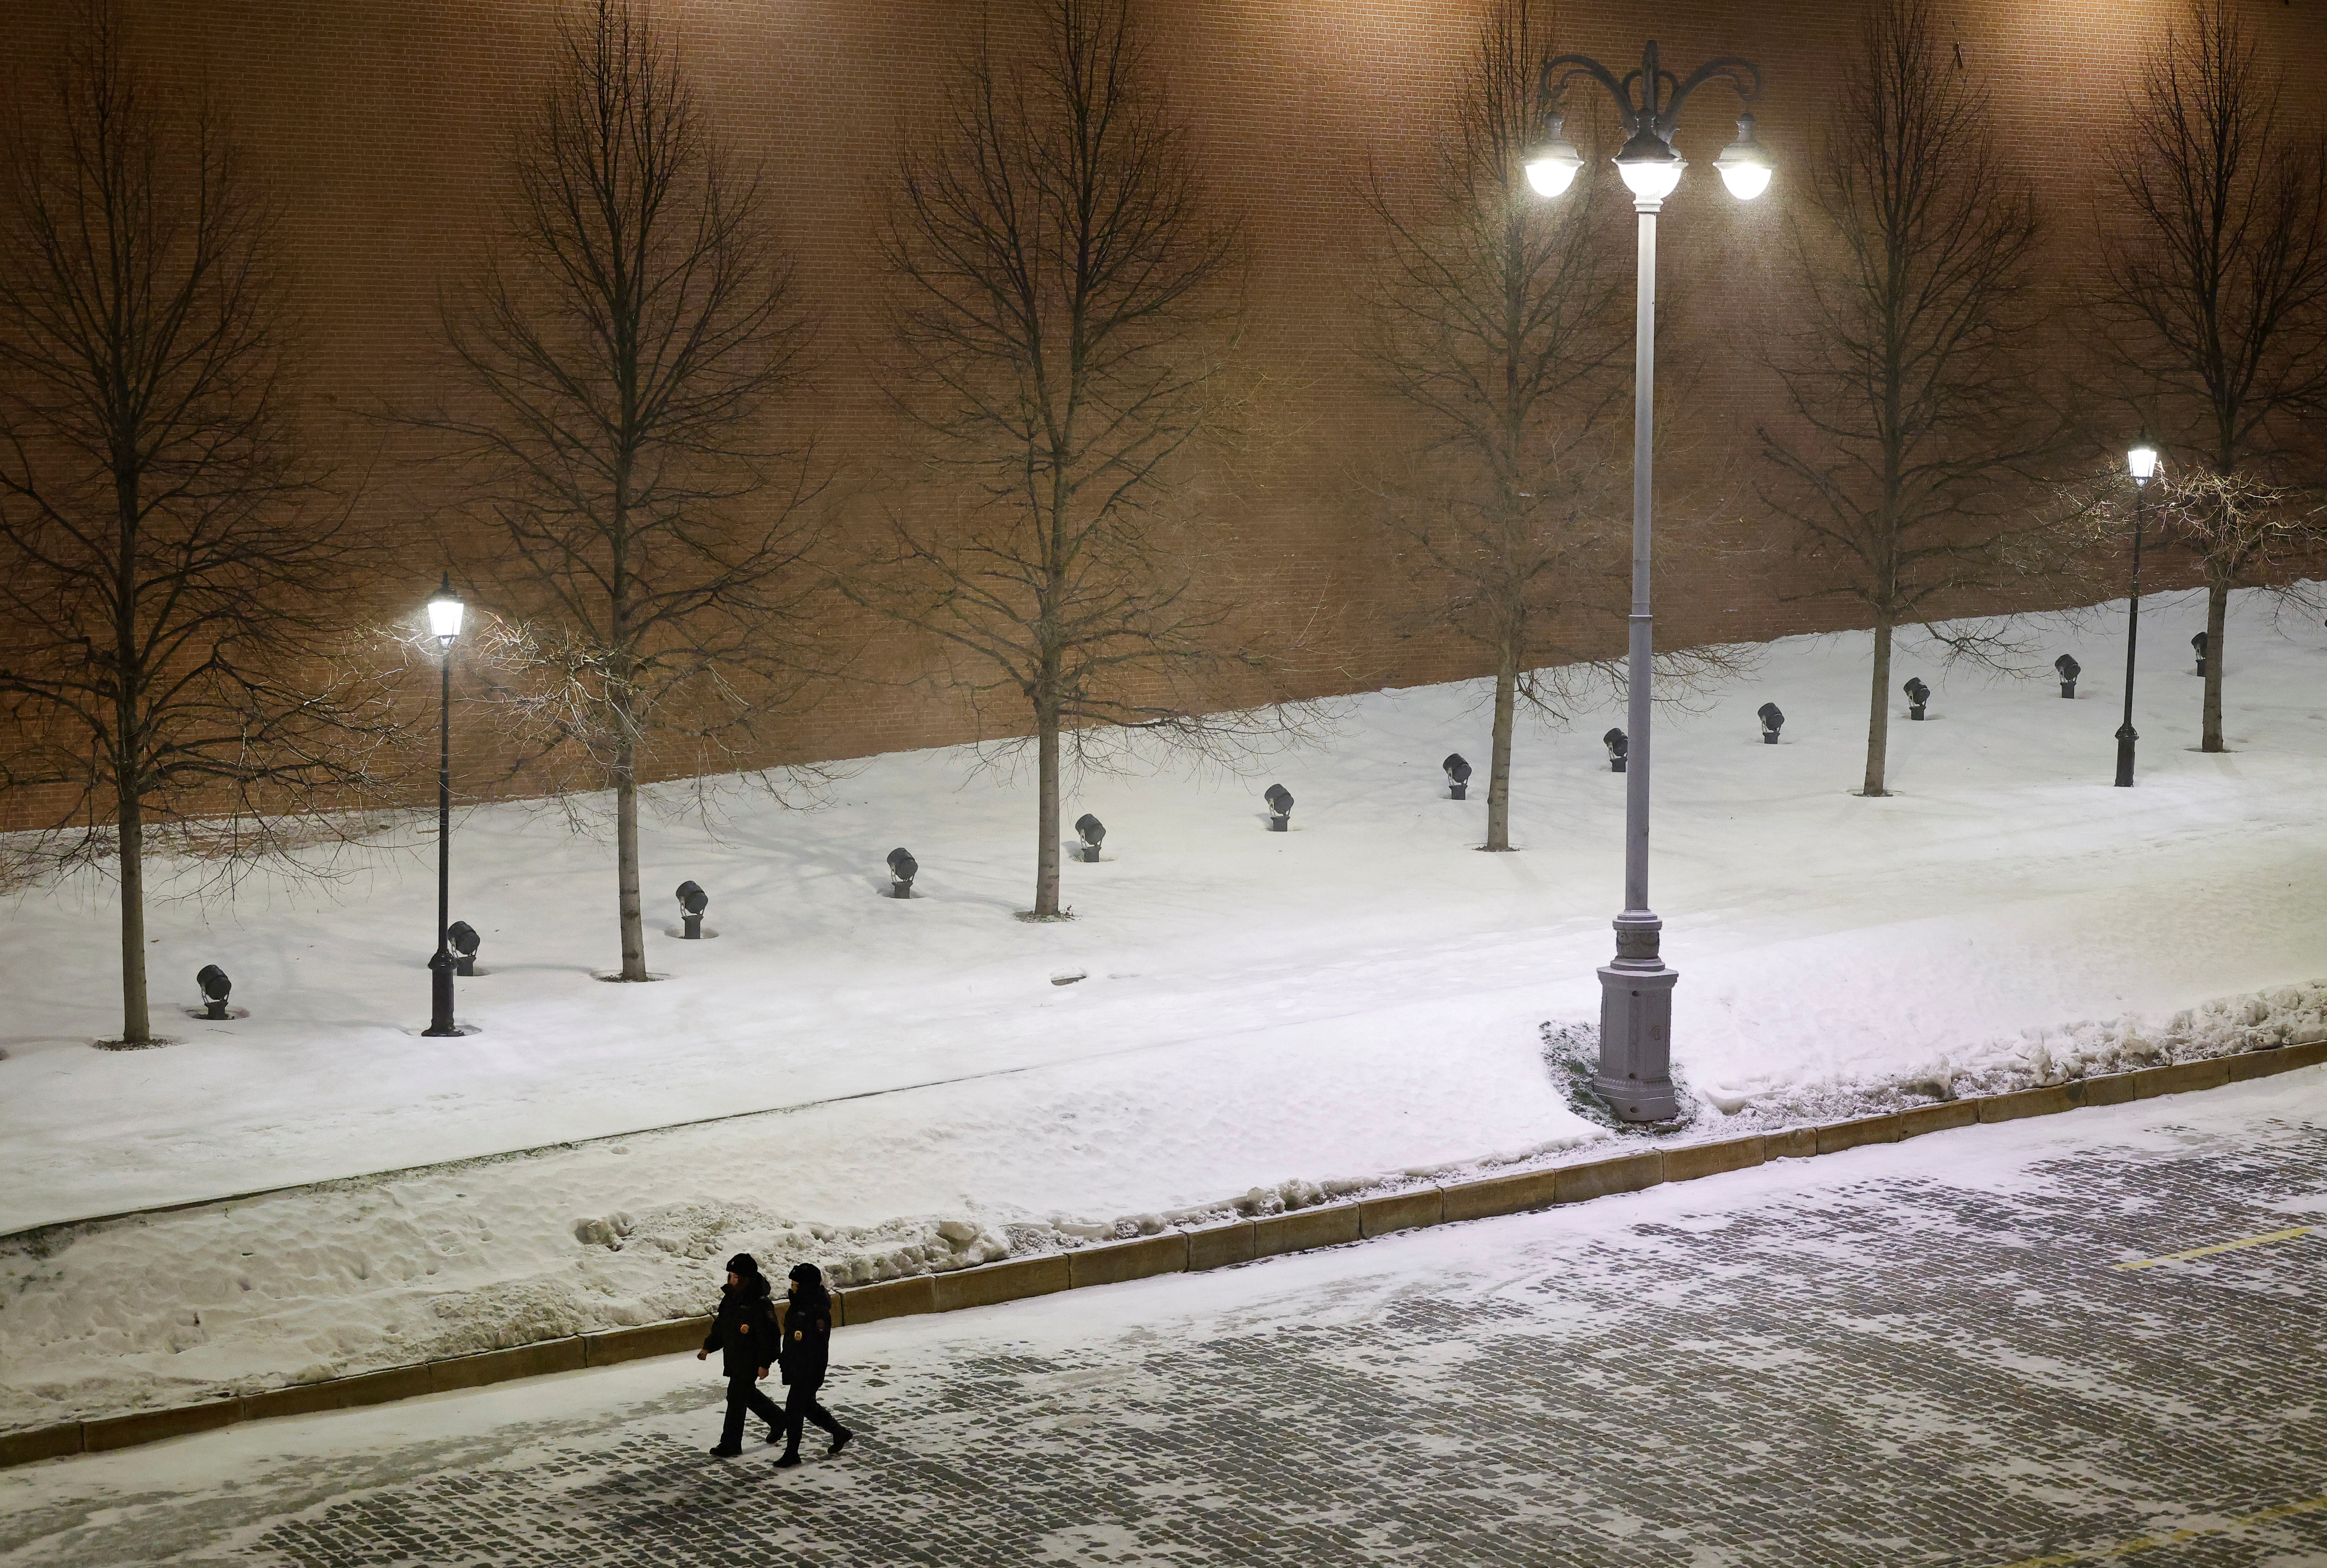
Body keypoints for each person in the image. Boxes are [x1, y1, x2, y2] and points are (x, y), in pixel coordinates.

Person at [696, 1253, 782, 1457]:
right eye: (731, 1277)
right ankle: (779, 1420)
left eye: (737, 1278)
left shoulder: (759, 1304)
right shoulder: (731, 1299)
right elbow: (722, 1327)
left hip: (751, 1359)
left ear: (747, 1280)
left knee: (736, 1398)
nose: (733, 1281)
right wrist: (708, 1347)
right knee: (745, 1394)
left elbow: (770, 1336)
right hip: (735, 1357)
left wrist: (765, 1363)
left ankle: (731, 1444)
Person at [772, 1261, 854, 1468]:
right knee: (808, 1407)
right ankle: (840, 1433)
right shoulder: (800, 1305)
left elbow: (816, 1347)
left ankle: (792, 1453)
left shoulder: (817, 1311)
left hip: (809, 1370)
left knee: (794, 1408)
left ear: (806, 1286)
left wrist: (803, 1368)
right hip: (798, 1367)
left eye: (796, 1284)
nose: (792, 1288)